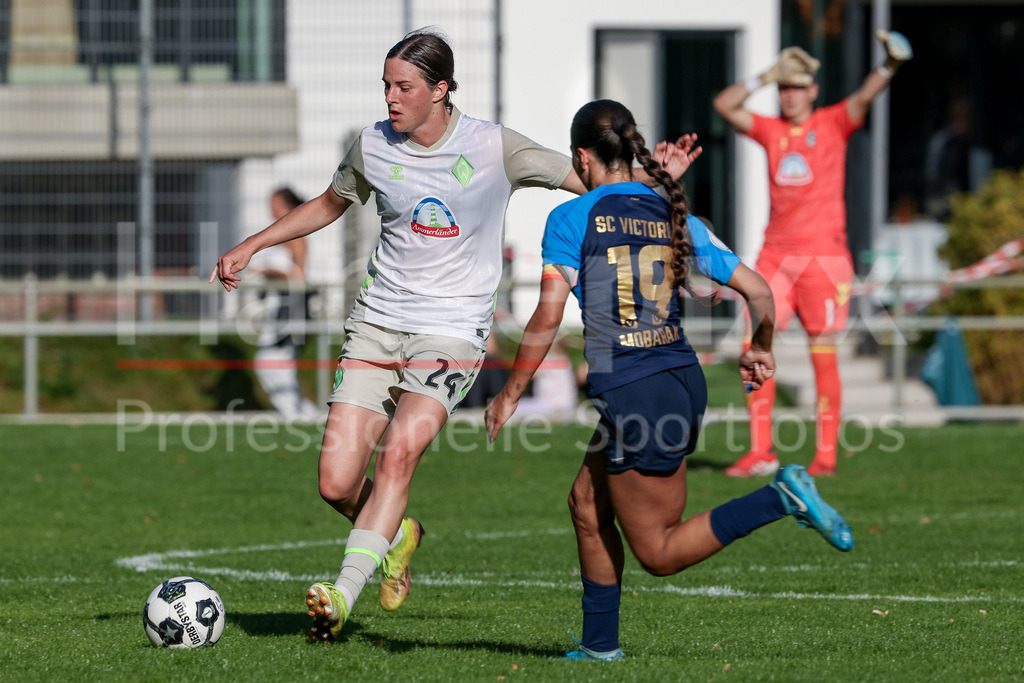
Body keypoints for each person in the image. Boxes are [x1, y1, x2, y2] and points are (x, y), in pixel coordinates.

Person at [210, 28, 698, 642]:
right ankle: (398, 534)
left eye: (403, 86)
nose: (390, 97)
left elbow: (597, 191)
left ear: (440, 90)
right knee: (335, 481)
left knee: (397, 459)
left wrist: (659, 184)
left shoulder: (495, 147)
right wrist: (253, 244)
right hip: (376, 328)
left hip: (453, 334)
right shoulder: (372, 145)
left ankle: (341, 594)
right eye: (386, 85)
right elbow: (330, 204)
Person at [485, 99, 854, 661]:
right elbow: (759, 291)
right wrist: (760, 348)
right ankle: (600, 646)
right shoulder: (671, 211)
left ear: (582, 158)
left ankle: (780, 497)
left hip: (639, 391)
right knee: (586, 503)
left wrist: (510, 392)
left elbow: (547, 315)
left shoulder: (571, 218)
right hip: (675, 378)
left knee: (658, 550)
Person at [712, 30, 913, 478]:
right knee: (754, 347)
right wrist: (765, 73)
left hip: (825, 259)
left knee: (824, 357)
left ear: (814, 91)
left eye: (797, 86)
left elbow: (863, 98)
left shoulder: (832, 123)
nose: (789, 95)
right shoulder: (771, 130)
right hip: (775, 259)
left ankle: (825, 455)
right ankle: (761, 451)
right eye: (784, 87)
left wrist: (889, 66)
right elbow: (725, 105)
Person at [248, 186, 319, 419]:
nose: (270, 207)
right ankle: (301, 413)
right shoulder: (280, 237)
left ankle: (295, 412)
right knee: (277, 363)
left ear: (286, 205)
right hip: (276, 306)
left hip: (291, 307)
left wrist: (266, 272)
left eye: (274, 202)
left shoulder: (297, 237)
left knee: (271, 362)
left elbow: (298, 274)